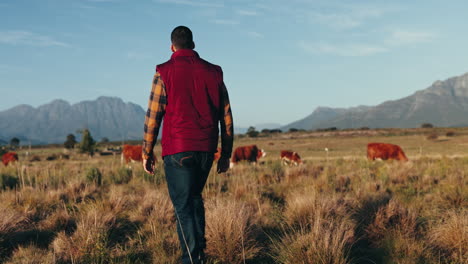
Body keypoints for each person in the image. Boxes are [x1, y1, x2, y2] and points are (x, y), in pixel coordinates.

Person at [142, 25, 234, 264]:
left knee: (183, 207)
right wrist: (226, 153)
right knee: (194, 199)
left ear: (172, 47)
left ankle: (191, 260)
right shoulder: (214, 73)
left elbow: (153, 116)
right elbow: (226, 116)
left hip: (177, 149)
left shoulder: (163, 71)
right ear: (193, 45)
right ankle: (199, 256)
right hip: (206, 149)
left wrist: (146, 151)